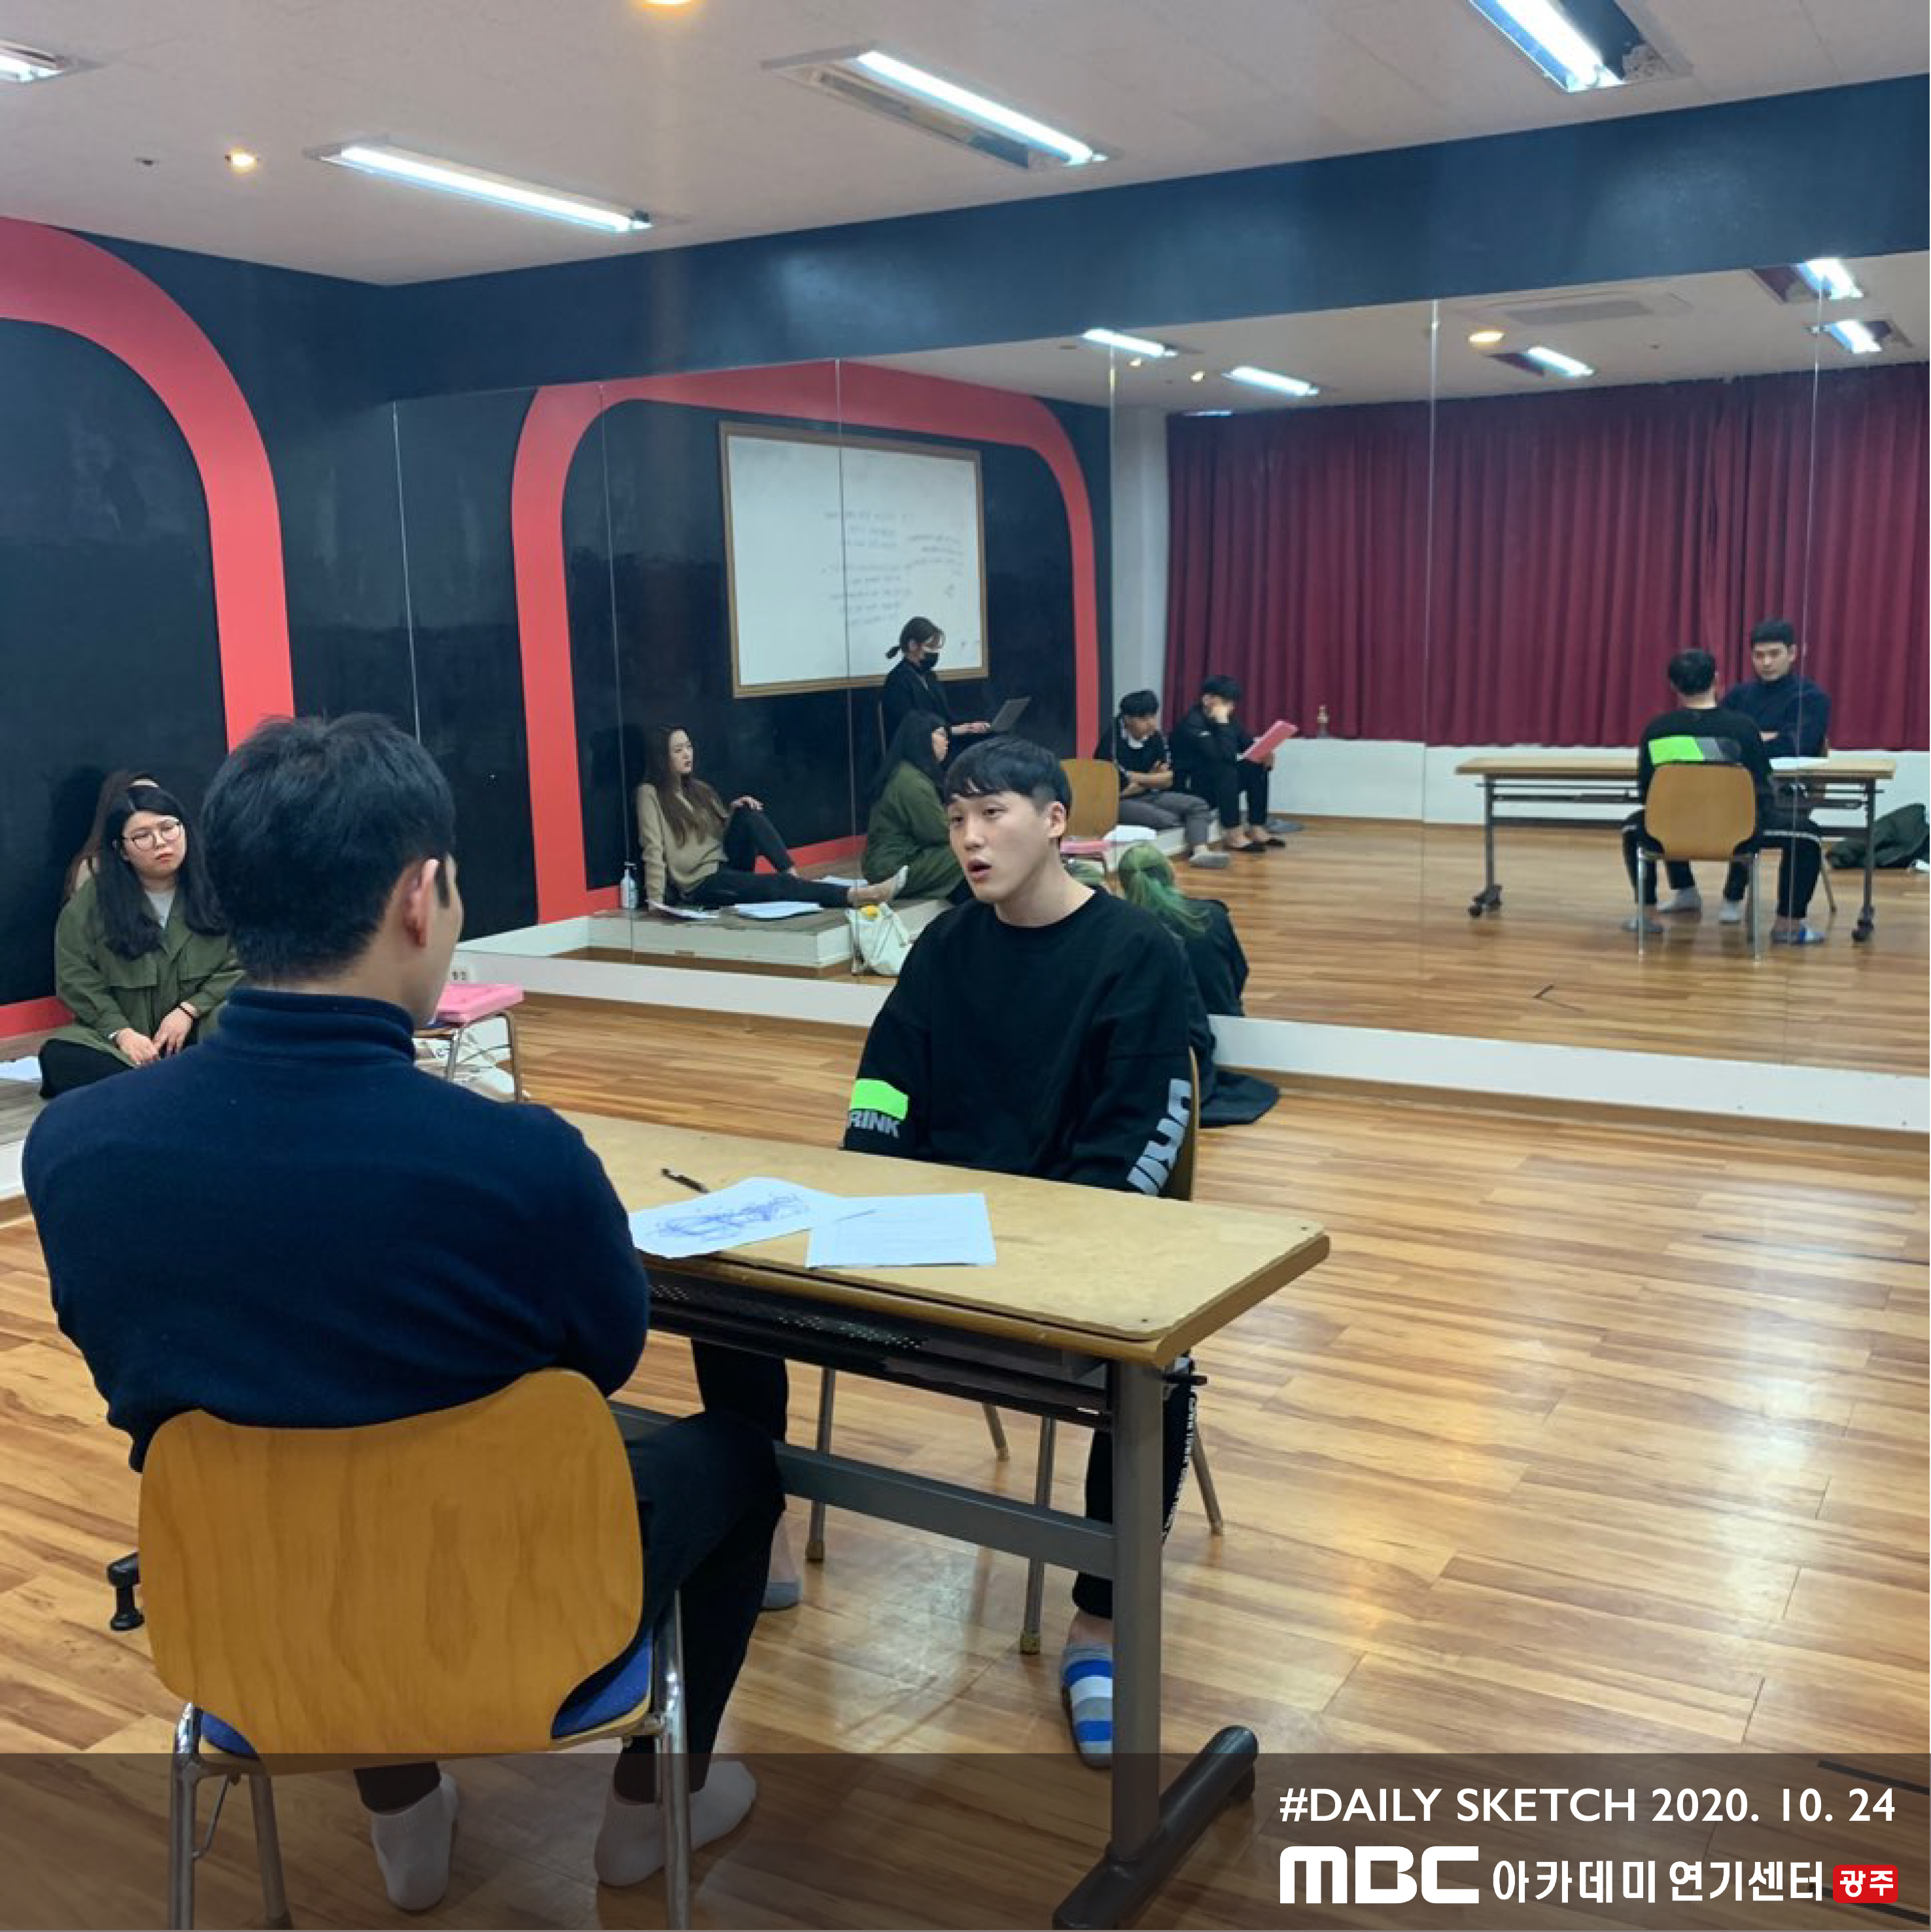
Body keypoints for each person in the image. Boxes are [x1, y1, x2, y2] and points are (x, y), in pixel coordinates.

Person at [25, 714, 782, 1910]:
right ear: (421, 897)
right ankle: (651, 1813)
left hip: (251, 1610)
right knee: (735, 1456)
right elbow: (604, 1356)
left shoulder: (72, 1150)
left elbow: (125, 1362)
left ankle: (404, 1816)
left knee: (309, 1455)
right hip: (522, 1600)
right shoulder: (521, 1160)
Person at [849, 735, 1198, 1767]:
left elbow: (1138, 1137)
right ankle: (752, 1521)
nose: (969, 838)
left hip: (1063, 1254)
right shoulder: (946, 946)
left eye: (991, 813)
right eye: (956, 819)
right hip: (930, 1245)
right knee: (730, 1296)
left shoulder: (1137, 953)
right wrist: (870, 1190)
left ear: (1053, 821)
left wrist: (1048, 1254)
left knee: (1161, 1370)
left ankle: (1100, 1622)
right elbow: (884, 1084)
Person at [38, 782, 241, 1099]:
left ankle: (155, 1089)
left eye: (168, 828)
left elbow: (245, 962)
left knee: (236, 1023)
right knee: (59, 1054)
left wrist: (189, 1010)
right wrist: (121, 1033)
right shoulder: (91, 904)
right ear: (122, 850)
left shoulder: (222, 890)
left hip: (201, 1031)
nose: (161, 842)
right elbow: (76, 978)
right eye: (143, 836)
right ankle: (169, 1087)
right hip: (127, 1043)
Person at [1620, 649, 1826, 943]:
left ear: (1673, 685)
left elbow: (1647, 792)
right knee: (1806, 835)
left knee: (1633, 828)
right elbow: (1761, 788)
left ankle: (1648, 916)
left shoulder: (1656, 731)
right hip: (1738, 831)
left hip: (1674, 827)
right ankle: (1788, 927)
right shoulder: (1743, 728)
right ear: (1716, 680)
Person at [1662, 619, 1832, 917]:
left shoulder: (1811, 697)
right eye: (1759, 655)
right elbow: (1711, 734)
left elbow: (1799, 745)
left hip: (1783, 788)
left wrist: (1745, 740)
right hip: (1726, 782)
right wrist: (1762, 738)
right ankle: (1686, 890)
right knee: (1672, 801)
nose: (1766, 663)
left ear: (1793, 653)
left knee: (1750, 805)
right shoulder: (1740, 694)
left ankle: (1735, 895)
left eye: (1774, 654)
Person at [636, 725, 902, 911]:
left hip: (725, 864)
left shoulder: (699, 789)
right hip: (702, 883)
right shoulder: (650, 794)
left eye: (689, 747)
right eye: (678, 750)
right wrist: (655, 903)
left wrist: (732, 814)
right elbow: (653, 850)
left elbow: (715, 837)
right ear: (662, 757)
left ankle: (792, 874)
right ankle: (859, 895)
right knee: (777, 886)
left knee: (748, 811)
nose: (687, 754)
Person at [1115, 843, 1278, 1127]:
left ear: (1124, 884)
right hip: (1219, 1025)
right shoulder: (1212, 915)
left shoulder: (1126, 932)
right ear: (1171, 872)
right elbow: (1239, 972)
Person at [1095, 692, 1227, 869]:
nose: (1151, 724)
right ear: (1127, 720)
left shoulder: (1155, 737)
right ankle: (1194, 830)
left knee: (1198, 805)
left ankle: (1201, 852)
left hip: (1148, 795)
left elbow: (1168, 780)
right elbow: (1117, 788)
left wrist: (1136, 777)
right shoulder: (1111, 742)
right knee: (1165, 819)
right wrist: (1151, 778)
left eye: (1153, 717)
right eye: (1144, 719)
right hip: (1118, 802)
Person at [862, 711, 968, 901]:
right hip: (892, 867)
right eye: (941, 735)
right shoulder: (911, 782)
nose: (947, 742)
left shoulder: (909, 773)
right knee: (971, 849)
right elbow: (938, 833)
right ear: (922, 739)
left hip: (897, 860)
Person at [1170, 675, 1281, 853]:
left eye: (1232, 703)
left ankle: (1257, 827)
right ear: (1207, 699)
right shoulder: (1192, 723)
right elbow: (1222, 756)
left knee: (1256, 765)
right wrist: (1223, 723)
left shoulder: (1230, 720)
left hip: (1217, 782)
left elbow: (1248, 745)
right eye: (1226, 702)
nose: (1231, 708)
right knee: (1225, 768)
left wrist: (1264, 753)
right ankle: (1233, 833)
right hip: (1191, 786)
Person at [878, 616, 991, 745]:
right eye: (930, 647)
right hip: (916, 749)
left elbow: (946, 719)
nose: (935, 652)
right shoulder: (896, 681)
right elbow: (910, 729)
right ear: (913, 645)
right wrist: (955, 730)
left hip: (942, 744)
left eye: (937, 648)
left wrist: (971, 727)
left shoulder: (931, 677)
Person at [62, 768, 158, 900]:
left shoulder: (172, 854)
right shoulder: (95, 866)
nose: (147, 804)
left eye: (155, 797)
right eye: (137, 796)